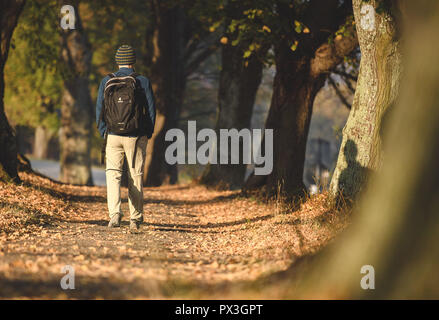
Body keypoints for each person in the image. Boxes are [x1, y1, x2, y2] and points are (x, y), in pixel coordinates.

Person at [95, 45, 156, 233]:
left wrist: (103, 131)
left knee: (112, 174)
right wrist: (148, 132)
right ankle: (135, 219)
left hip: (113, 135)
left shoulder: (107, 80)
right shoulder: (142, 81)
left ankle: (114, 214)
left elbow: (99, 109)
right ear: (133, 61)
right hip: (135, 136)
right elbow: (151, 110)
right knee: (135, 176)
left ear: (118, 60)